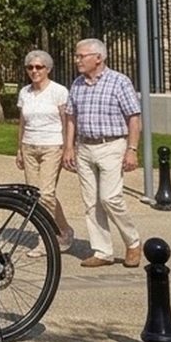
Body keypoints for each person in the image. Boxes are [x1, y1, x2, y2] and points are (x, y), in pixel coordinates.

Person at [62, 38, 143, 268]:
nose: (77, 60)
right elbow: (71, 117)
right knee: (91, 202)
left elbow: (134, 117)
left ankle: (133, 242)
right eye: (77, 55)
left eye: (82, 56)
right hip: (85, 147)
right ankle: (102, 251)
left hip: (112, 145)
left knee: (110, 198)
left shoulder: (119, 82)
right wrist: (69, 147)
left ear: (98, 58)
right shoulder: (77, 84)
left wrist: (132, 149)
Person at [14, 49, 74, 254]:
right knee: (35, 195)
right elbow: (22, 122)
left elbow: (66, 121)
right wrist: (19, 149)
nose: (34, 71)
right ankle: (64, 230)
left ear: (48, 69)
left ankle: (45, 240)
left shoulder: (59, 91)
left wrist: (68, 148)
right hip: (29, 146)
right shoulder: (25, 92)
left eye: (39, 67)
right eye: (30, 67)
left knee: (46, 194)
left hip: (52, 146)